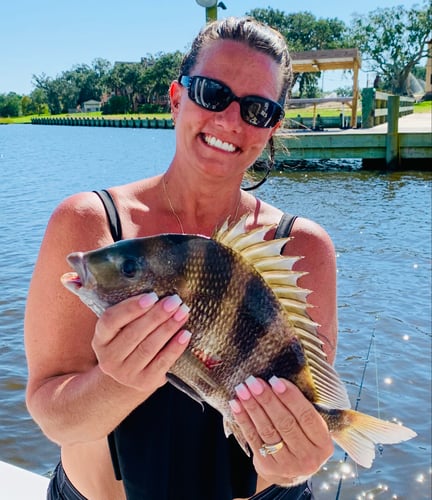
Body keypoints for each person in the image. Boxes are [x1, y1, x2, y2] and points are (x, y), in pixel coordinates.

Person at [25, 16, 337, 500]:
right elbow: (51, 416)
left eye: (257, 109)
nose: (230, 120)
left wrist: (298, 460)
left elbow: (298, 427)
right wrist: (120, 379)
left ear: (272, 126)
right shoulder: (89, 222)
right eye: (212, 93)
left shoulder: (301, 248)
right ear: (176, 97)